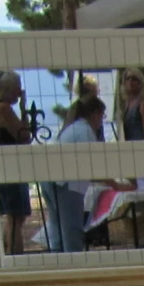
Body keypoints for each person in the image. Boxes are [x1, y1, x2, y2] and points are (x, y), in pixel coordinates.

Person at [46, 94, 107, 253]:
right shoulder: (85, 132)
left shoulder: (74, 128)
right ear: (96, 114)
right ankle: (73, 265)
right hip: (66, 183)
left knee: (58, 228)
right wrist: (116, 183)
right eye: (102, 116)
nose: (102, 122)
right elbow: (94, 167)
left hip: (52, 180)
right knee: (71, 229)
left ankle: (58, 264)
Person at [0, 70, 33, 254]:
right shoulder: (3, 108)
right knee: (16, 216)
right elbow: (24, 135)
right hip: (10, 167)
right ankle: (15, 254)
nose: (19, 92)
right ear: (7, 89)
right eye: (17, 89)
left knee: (12, 216)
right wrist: (24, 110)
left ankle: (10, 251)